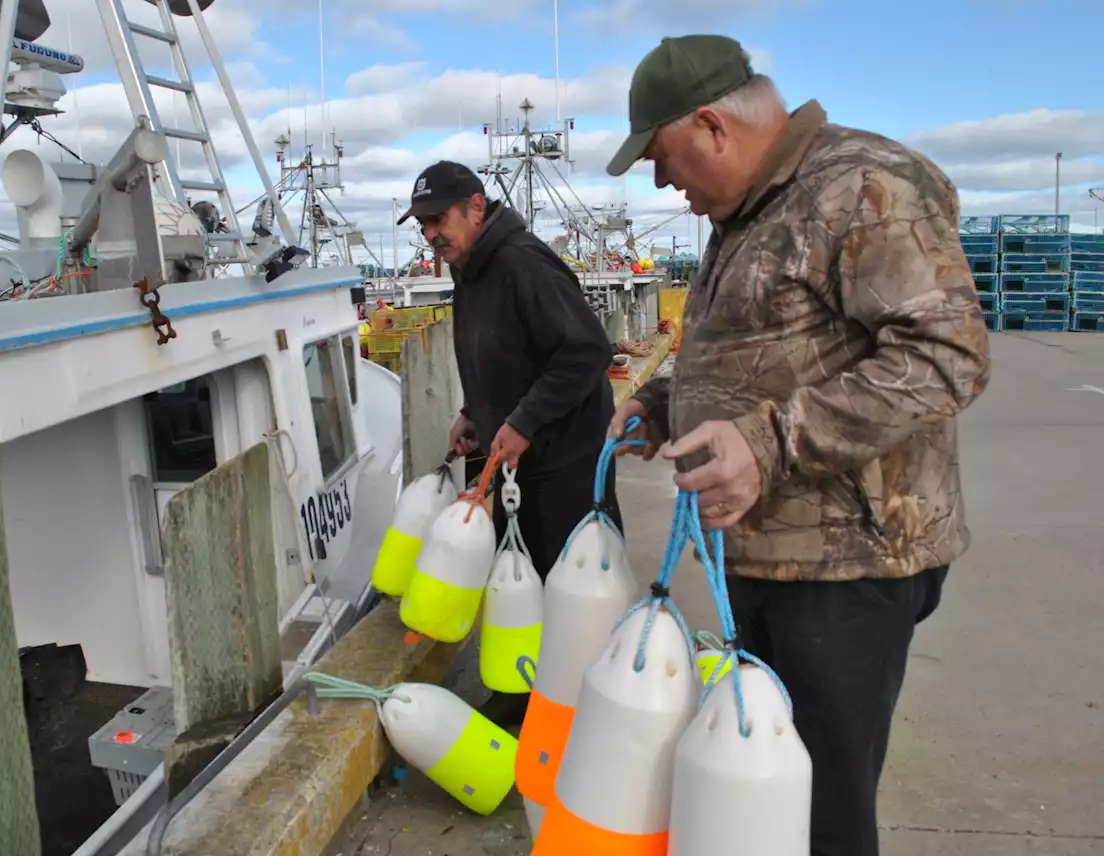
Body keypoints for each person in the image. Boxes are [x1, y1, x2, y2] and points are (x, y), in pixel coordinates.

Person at [605, 35, 990, 856]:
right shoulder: (745, 209)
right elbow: (768, 352)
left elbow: (946, 357)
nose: (662, 181)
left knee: (819, 808)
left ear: (710, 124)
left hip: (845, 570)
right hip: (765, 558)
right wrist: (667, 405)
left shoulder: (862, 185)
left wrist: (770, 443)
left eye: (662, 158)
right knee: (763, 800)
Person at [397, 160, 619, 719]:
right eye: (420, 223)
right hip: (522, 456)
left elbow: (586, 350)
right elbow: (501, 352)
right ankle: (523, 694)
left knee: (566, 587)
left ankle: (579, 707)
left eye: (436, 219)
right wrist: (476, 411)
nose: (429, 234)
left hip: (566, 457)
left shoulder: (522, 263)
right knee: (520, 581)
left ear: (475, 207)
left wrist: (521, 421)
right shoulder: (468, 266)